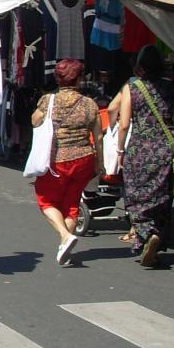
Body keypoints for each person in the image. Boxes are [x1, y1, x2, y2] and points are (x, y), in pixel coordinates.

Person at [30, 59, 102, 265]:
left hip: (57, 160)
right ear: (79, 79)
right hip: (84, 159)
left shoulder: (48, 101)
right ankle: (64, 249)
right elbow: (98, 137)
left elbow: (34, 121)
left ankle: (64, 234)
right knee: (71, 204)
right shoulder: (90, 104)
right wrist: (100, 163)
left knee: (46, 201)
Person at [115, 44, 174, 267]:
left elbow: (123, 125)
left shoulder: (131, 89)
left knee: (136, 197)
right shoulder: (173, 88)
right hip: (165, 149)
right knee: (162, 197)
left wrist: (120, 151)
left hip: (139, 150)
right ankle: (157, 236)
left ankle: (145, 234)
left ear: (139, 66)